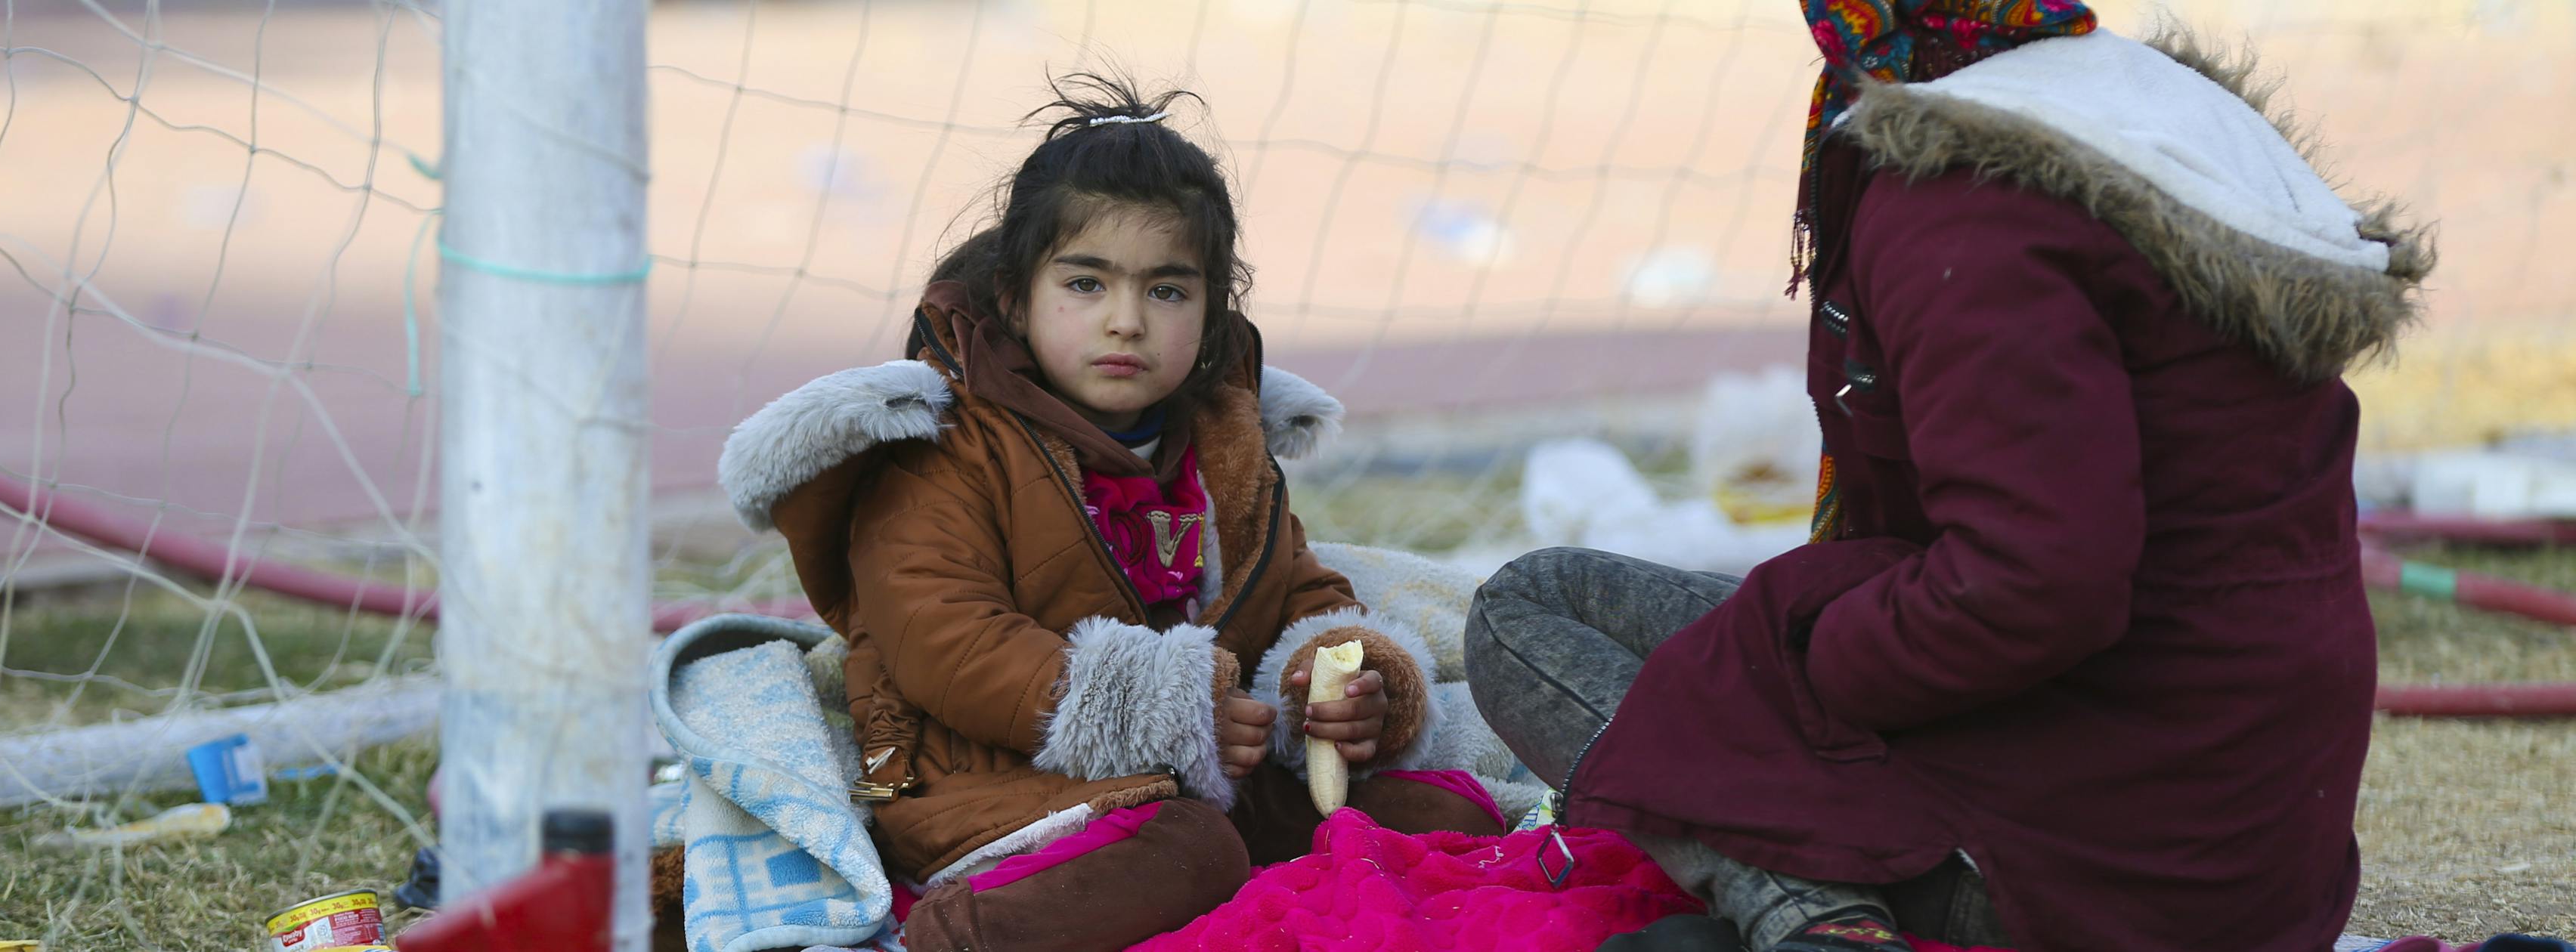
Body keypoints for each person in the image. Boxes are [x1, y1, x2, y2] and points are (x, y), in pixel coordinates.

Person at [1463, 4, 2432, 952]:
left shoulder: (1965, 191)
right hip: (2249, 847)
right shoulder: (2147, 112)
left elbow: (2037, 584)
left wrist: (1814, 668)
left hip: (2096, 861)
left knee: (1520, 627)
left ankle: (1807, 913)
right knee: (1552, 597)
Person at [717, 75, 1503, 952]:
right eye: (1086, 284)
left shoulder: (1225, 440)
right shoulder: (943, 441)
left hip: (1190, 771)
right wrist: (1166, 711)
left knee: (1425, 808)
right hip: (985, 780)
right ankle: (951, 935)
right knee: (1192, 849)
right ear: (1015, 297)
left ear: (1211, 314)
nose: (1126, 322)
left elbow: (1295, 586)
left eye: (1167, 291)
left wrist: (1343, 681)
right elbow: (943, 641)